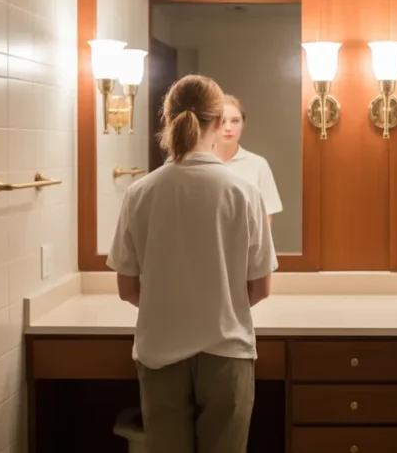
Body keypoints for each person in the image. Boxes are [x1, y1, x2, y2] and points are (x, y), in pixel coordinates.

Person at [107, 75, 277, 453]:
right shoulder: (243, 193)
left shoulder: (141, 193)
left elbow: (127, 288)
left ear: (168, 119)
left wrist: (174, 309)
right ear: (219, 124)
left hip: (160, 351)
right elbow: (261, 287)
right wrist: (215, 309)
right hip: (226, 353)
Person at [214, 94, 283, 224]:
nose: (228, 128)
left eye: (235, 121)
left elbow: (267, 216)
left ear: (242, 124)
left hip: (248, 242)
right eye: (221, 121)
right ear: (211, 124)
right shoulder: (199, 164)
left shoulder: (258, 165)